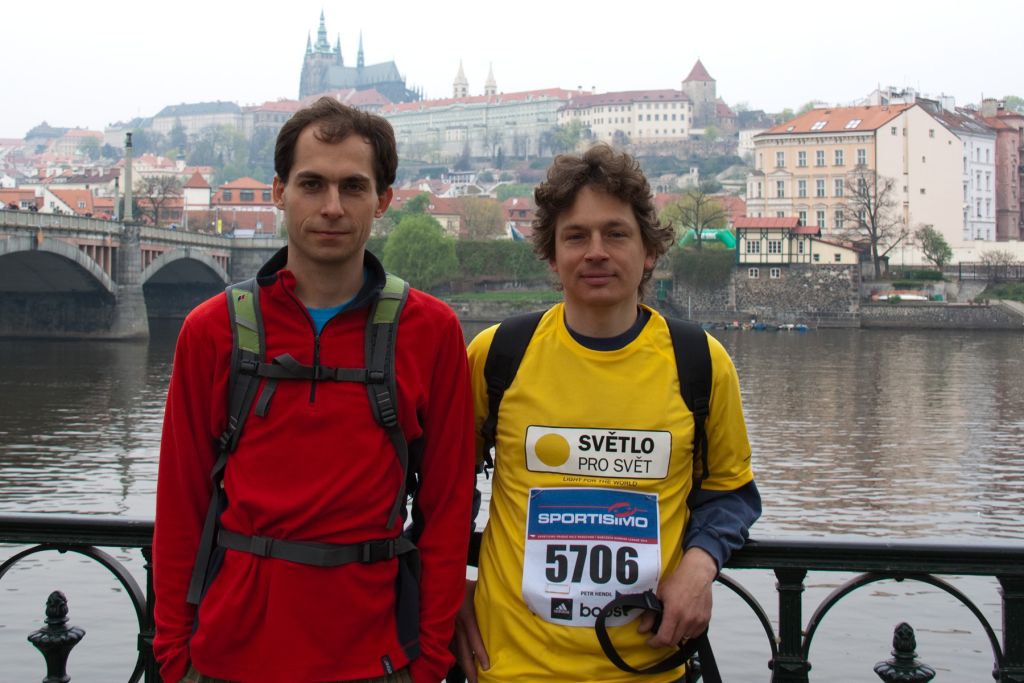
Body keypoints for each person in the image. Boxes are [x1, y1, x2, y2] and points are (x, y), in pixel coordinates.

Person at [153, 97, 475, 683]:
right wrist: (175, 657)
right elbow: (180, 504)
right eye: (312, 184)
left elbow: (448, 506)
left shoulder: (431, 331)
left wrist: (429, 660)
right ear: (279, 192)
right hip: (228, 656)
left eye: (353, 187)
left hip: (378, 657)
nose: (332, 207)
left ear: (382, 200)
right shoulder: (211, 330)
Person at [455, 144, 761, 682]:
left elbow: (732, 492)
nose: (596, 252)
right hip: (508, 666)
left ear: (649, 251)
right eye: (576, 236)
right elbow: (443, 485)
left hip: (649, 666)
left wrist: (701, 563)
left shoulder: (700, 362)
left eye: (616, 234)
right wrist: (447, 585)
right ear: (553, 255)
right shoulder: (497, 354)